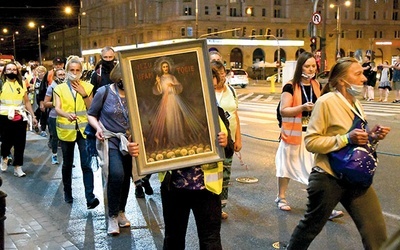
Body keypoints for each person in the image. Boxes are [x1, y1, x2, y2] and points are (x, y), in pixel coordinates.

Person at [287, 57, 391, 250]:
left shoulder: (355, 103)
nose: (364, 79)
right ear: (342, 81)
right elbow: (311, 141)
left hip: (355, 176)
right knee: (310, 227)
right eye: (358, 74)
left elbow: (355, 140)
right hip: (329, 177)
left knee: (376, 233)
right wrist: (346, 139)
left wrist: (371, 136)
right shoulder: (327, 101)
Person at [133, 67, 232, 249]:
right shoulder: (172, 111)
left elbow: (231, 149)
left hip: (207, 190)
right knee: (174, 239)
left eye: (212, 87)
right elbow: (150, 143)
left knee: (210, 241)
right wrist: (136, 148)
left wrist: (226, 143)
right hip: (175, 188)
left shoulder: (216, 113)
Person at [274, 52, 343, 219]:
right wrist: (302, 108)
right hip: (292, 136)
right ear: (300, 67)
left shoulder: (316, 84)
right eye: (307, 66)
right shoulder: (290, 86)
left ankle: (322, 207)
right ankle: (281, 197)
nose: (311, 69)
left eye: (313, 66)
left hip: (312, 135)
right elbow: (284, 110)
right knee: (286, 168)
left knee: (317, 171)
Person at [87, 62, 152, 235]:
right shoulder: (104, 92)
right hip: (111, 140)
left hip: (131, 141)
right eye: (122, 77)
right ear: (117, 76)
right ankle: (112, 216)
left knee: (126, 177)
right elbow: (91, 114)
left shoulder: (136, 94)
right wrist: (98, 128)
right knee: (116, 174)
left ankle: (121, 211)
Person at [53, 55, 99, 208]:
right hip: (66, 131)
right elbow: (57, 108)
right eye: (71, 70)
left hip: (84, 130)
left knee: (86, 164)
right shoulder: (59, 88)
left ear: (81, 71)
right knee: (67, 163)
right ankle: (68, 191)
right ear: (66, 70)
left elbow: (92, 107)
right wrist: (66, 115)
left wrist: (84, 94)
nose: (74, 72)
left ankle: (90, 197)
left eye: (77, 70)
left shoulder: (87, 86)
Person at [210, 60, 242, 220]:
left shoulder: (231, 91)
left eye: (223, 73)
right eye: (218, 74)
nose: (222, 77)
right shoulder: (208, 92)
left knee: (226, 175)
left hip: (228, 141)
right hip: (214, 143)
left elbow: (235, 115)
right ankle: (212, 205)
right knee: (213, 175)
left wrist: (238, 139)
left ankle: (221, 206)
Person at [0, 62, 38, 177]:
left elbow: (26, 101)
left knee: (20, 143)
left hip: (20, 116)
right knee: (6, 141)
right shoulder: (1, 83)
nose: (12, 71)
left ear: (17, 71)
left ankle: (18, 167)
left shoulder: (21, 83)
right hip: (4, 116)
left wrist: (33, 115)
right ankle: (4, 156)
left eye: (14, 69)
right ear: (5, 72)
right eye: (9, 69)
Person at [43, 68, 66, 165]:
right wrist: (57, 103)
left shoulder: (69, 86)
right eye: (59, 75)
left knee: (66, 138)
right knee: (55, 137)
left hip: (66, 116)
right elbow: (45, 103)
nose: (62, 77)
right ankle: (54, 155)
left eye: (63, 74)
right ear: (55, 76)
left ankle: (67, 158)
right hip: (54, 116)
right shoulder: (51, 87)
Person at [30, 65, 49, 136]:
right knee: (37, 114)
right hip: (36, 100)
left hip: (44, 100)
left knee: (43, 115)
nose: (40, 74)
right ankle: (36, 125)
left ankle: (43, 129)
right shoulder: (34, 79)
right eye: (38, 72)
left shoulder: (46, 80)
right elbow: (30, 86)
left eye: (41, 72)